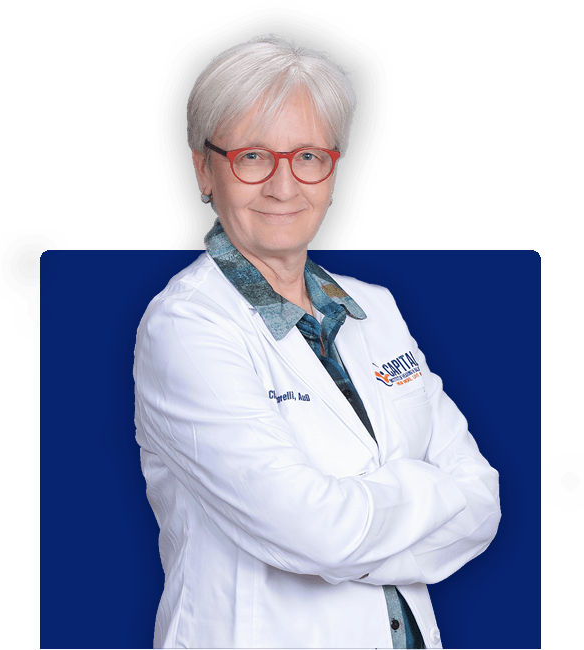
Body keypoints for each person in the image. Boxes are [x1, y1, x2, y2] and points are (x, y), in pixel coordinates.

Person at [133, 36, 501, 649]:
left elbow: (482, 501)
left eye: (308, 156)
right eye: (253, 156)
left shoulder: (375, 310)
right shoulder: (186, 328)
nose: (284, 187)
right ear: (204, 170)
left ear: (334, 170)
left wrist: (348, 532)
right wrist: (426, 500)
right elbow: (313, 532)